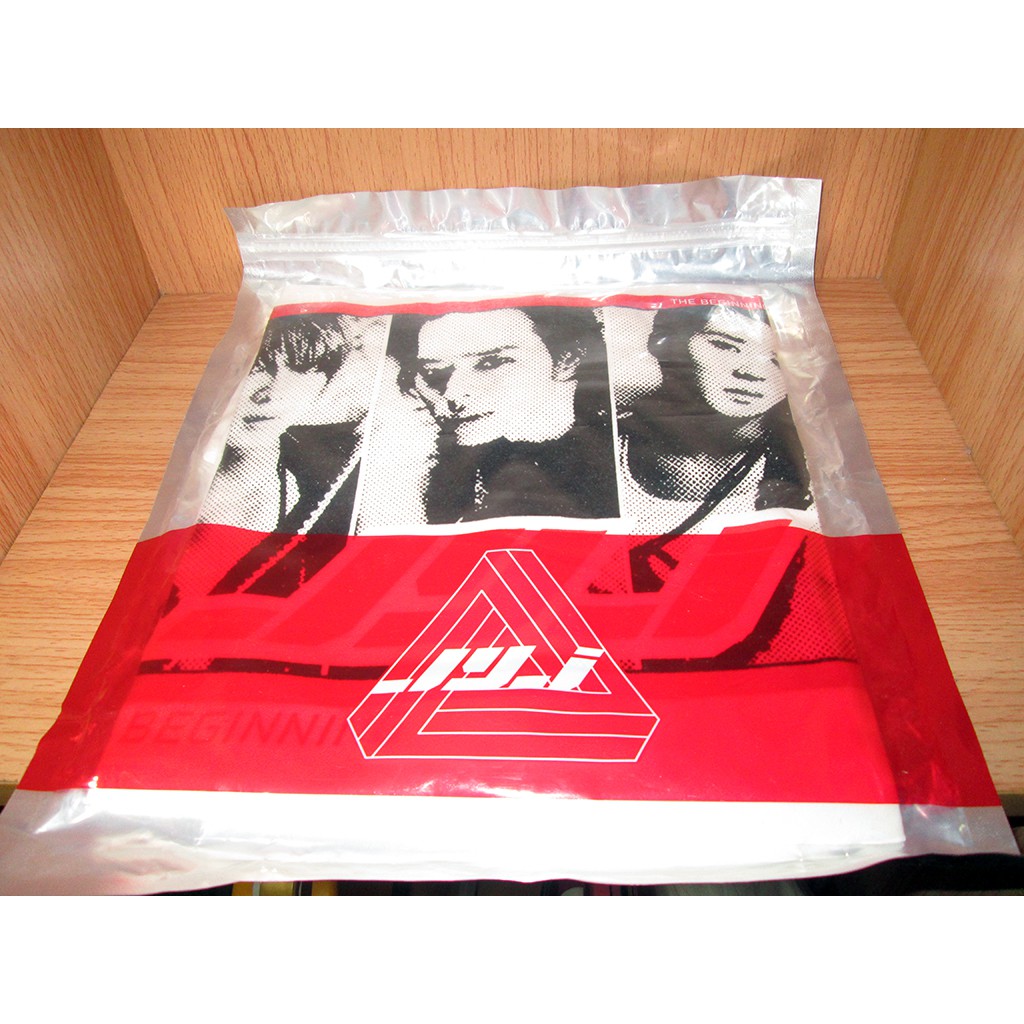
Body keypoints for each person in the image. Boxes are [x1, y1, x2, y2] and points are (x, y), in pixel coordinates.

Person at [199, 311, 385, 596]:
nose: (272, 393)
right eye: (261, 366)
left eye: (302, 367)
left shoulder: (325, 481)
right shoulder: (194, 482)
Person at [382, 306, 619, 524]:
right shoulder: (427, 483)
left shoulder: (624, 463)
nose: (453, 393)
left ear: (568, 359)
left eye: (491, 363)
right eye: (433, 372)